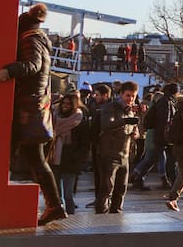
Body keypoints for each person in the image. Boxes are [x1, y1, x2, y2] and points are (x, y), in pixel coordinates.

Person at [0, 4, 65, 225]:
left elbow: (33, 64)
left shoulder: (29, 39)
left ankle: (54, 205)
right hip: (36, 106)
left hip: (28, 108)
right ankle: (54, 205)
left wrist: (8, 71)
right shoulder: (39, 38)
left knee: (24, 156)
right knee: (35, 159)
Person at [91, 80, 143, 213]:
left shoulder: (131, 111)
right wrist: (125, 121)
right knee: (107, 188)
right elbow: (106, 125)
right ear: (121, 94)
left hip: (124, 154)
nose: (130, 99)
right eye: (128, 95)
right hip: (108, 153)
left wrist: (135, 133)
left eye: (133, 96)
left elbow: (135, 130)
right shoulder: (110, 108)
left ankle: (116, 214)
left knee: (121, 188)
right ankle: (101, 215)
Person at [51, 91, 88, 215]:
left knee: (68, 194)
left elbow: (84, 143)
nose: (65, 106)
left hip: (71, 161)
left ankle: (71, 217)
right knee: (56, 194)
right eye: (63, 103)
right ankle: (58, 215)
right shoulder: (54, 118)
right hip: (55, 159)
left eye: (68, 104)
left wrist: (78, 159)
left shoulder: (79, 120)